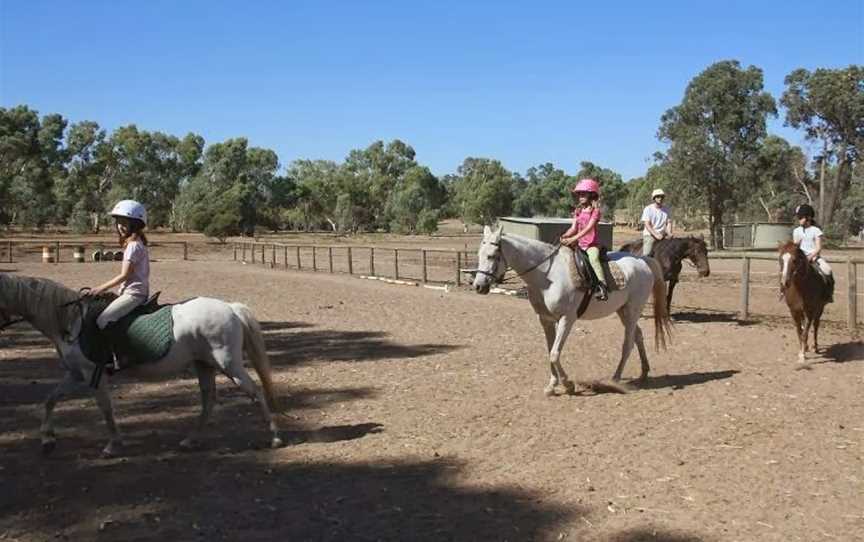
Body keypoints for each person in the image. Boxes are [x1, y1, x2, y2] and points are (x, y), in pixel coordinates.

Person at [87, 200, 151, 370]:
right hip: (133, 292)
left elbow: (124, 275)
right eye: (118, 222)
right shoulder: (138, 244)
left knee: (103, 320)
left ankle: (119, 358)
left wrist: (100, 288)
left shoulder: (133, 246)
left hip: (134, 294)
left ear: (135, 224)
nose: (120, 226)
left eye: (125, 222)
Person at [560, 178, 608, 301]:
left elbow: (588, 228)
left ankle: (602, 286)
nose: (580, 196)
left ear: (591, 195)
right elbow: (573, 228)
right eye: (579, 194)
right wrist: (565, 235)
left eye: (583, 194)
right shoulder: (578, 211)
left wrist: (573, 239)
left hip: (591, 244)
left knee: (594, 259)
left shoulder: (595, 211)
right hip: (579, 244)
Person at [792, 203, 834, 302]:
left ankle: (828, 294)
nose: (799, 219)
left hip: (814, 258)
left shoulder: (816, 230)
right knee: (787, 271)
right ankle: (783, 291)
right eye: (799, 217)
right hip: (800, 259)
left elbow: (818, 248)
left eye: (801, 217)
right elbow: (795, 248)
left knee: (828, 270)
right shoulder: (796, 231)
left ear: (808, 217)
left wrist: (811, 256)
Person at [640, 188, 672, 256]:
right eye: (658, 196)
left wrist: (669, 233)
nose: (660, 198)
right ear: (654, 198)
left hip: (663, 235)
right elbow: (647, 224)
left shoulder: (667, 209)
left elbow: (668, 222)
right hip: (650, 235)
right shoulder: (648, 209)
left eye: (662, 197)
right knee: (647, 254)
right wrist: (656, 235)